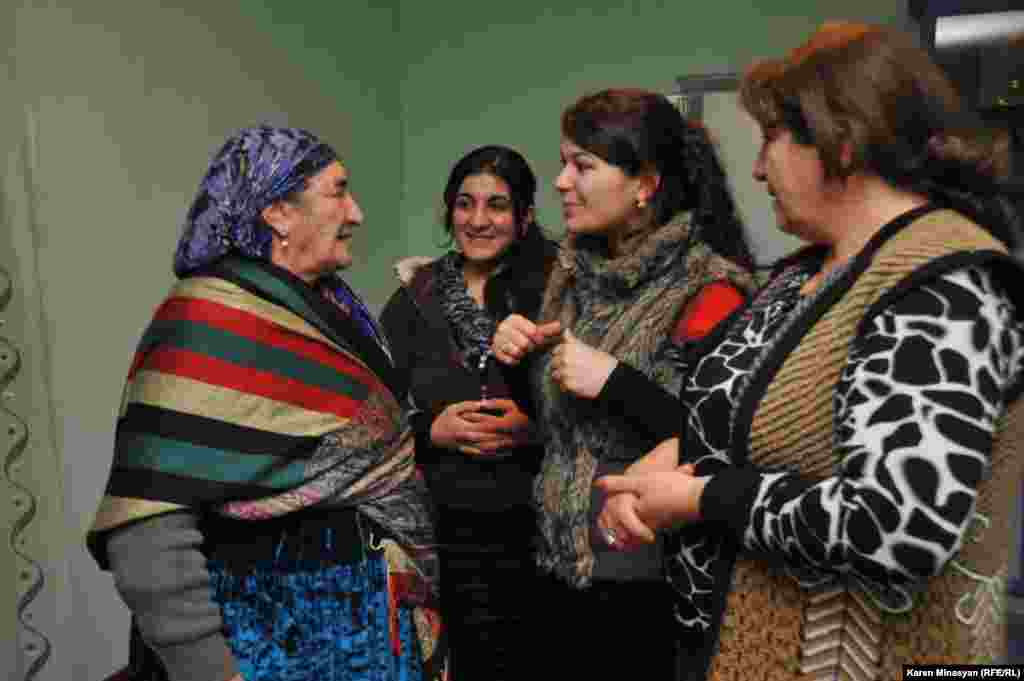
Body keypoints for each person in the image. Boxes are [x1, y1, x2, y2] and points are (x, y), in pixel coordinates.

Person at [596, 22, 1024, 680]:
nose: (759, 167)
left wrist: (700, 497)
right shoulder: (806, 270)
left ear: (842, 140)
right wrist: (673, 457)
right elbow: (753, 413)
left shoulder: (945, 280)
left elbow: (896, 521)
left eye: (772, 138)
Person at [87, 126, 442, 681]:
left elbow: (365, 444)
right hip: (267, 644)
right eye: (338, 191)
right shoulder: (205, 324)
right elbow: (148, 528)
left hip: (365, 634)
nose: (357, 213)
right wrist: (208, 670)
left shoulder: (333, 313)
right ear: (277, 211)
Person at [491, 88, 756, 678]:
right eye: (564, 162)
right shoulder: (570, 273)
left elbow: (720, 443)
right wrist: (515, 361)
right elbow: (554, 426)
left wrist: (616, 383)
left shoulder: (712, 290)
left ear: (645, 184)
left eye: (583, 165)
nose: (561, 181)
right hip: (556, 569)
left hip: (648, 586)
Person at [379, 145, 556, 680]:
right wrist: (430, 428)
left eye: (497, 205)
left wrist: (536, 427)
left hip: (542, 532)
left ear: (524, 216)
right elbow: (372, 414)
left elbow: (603, 408)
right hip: (441, 532)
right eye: (465, 203)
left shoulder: (561, 287)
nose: (478, 220)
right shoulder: (415, 298)